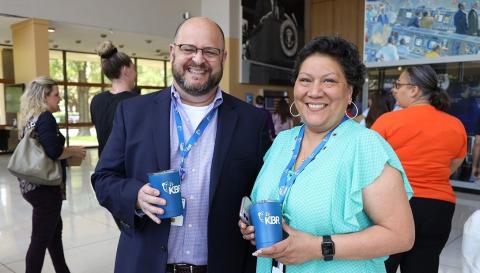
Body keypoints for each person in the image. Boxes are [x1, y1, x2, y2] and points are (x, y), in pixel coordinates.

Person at [91, 17, 270, 273]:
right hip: (145, 264)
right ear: (172, 52)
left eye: (210, 51)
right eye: (189, 49)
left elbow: (261, 191)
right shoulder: (132, 113)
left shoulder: (252, 121)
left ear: (223, 58)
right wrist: (136, 197)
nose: (198, 59)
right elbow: (103, 178)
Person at [239, 36, 414, 273]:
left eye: (329, 81)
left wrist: (317, 247)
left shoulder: (365, 146)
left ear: (350, 91)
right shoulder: (282, 142)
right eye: (305, 80)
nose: (314, 91)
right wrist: (255, 226)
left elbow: (400, 235)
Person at [371, 65, 467, 273]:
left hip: (394, 204)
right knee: (423, 265)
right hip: (438, 208)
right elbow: (453, 164)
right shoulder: (456, 125)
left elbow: (368, 165)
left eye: (398, 84)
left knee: (380, 266)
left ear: (414, 90)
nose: (394, 90)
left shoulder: (387, 121)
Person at [18, 76, 86, 273]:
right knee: (40, 240)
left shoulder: (31, 118)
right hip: (45, 189)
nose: (60, 99)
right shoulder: (45, 117)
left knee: (53, 234)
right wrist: (73, 151)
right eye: (56, 95)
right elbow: (54, 151)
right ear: (44, 97)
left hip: (32, 185)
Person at [90, 40, 138, 157]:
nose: (135, 74)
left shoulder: (97, 100)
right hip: (127, 168)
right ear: (125, 70)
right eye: (133, 69)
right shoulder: (136, 102)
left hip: (104, 165)